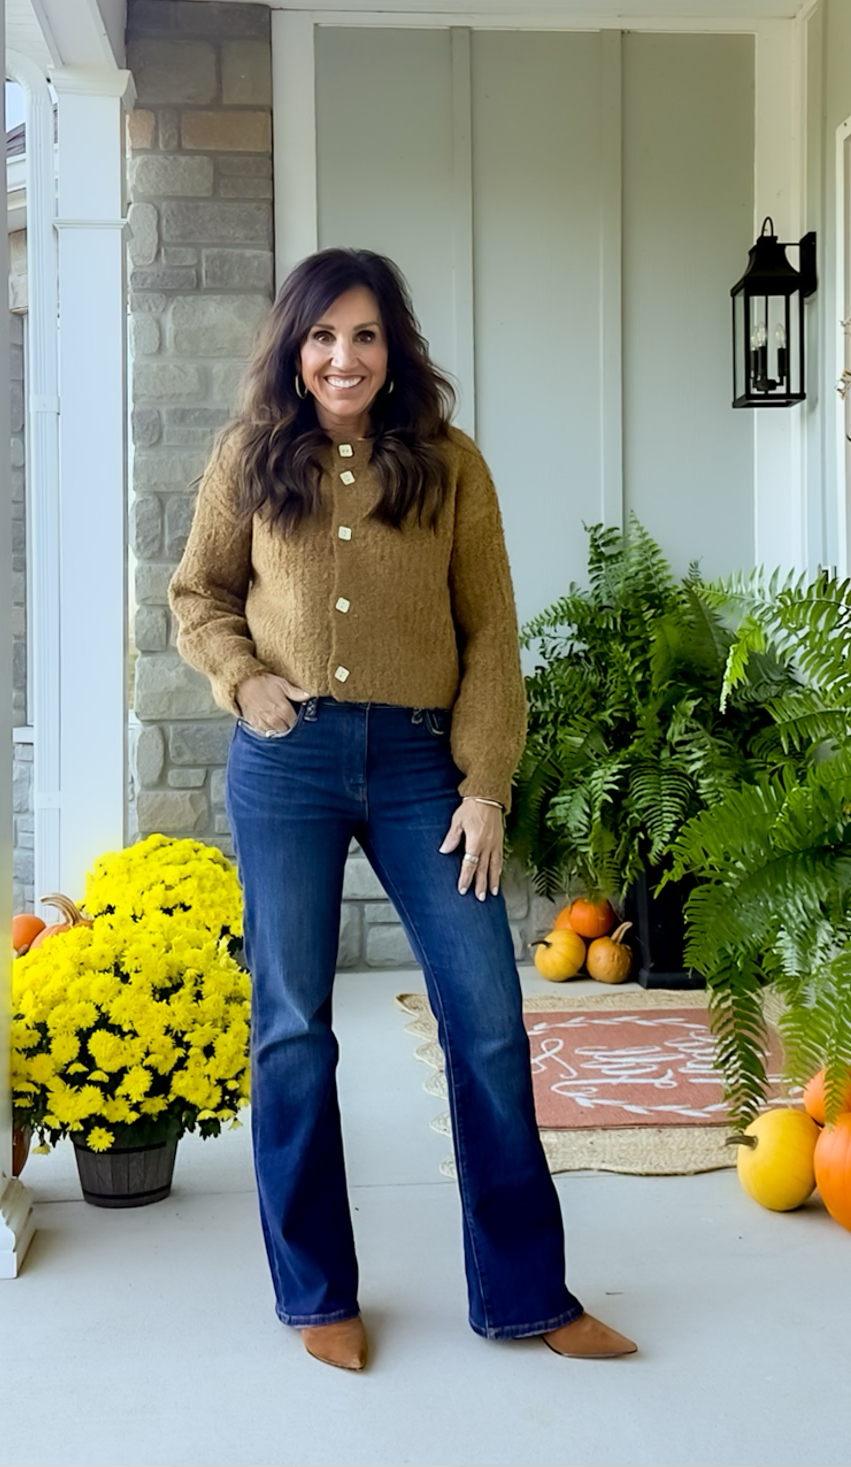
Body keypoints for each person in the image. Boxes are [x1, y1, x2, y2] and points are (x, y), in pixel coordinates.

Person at [168, 248, 637, 1371]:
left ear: (394, 350)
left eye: (366, 335)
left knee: (483, 1017)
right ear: (294, 347)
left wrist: (485, 784)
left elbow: (492, 637)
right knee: (291, 1028)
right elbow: (198, 594)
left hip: (426, 763)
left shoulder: (449, 466)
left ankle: (529, 1294)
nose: (344, 356)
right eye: (323, 335)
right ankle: (317, 1289)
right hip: (287, 760)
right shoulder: (249, 458)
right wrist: (246, 680)